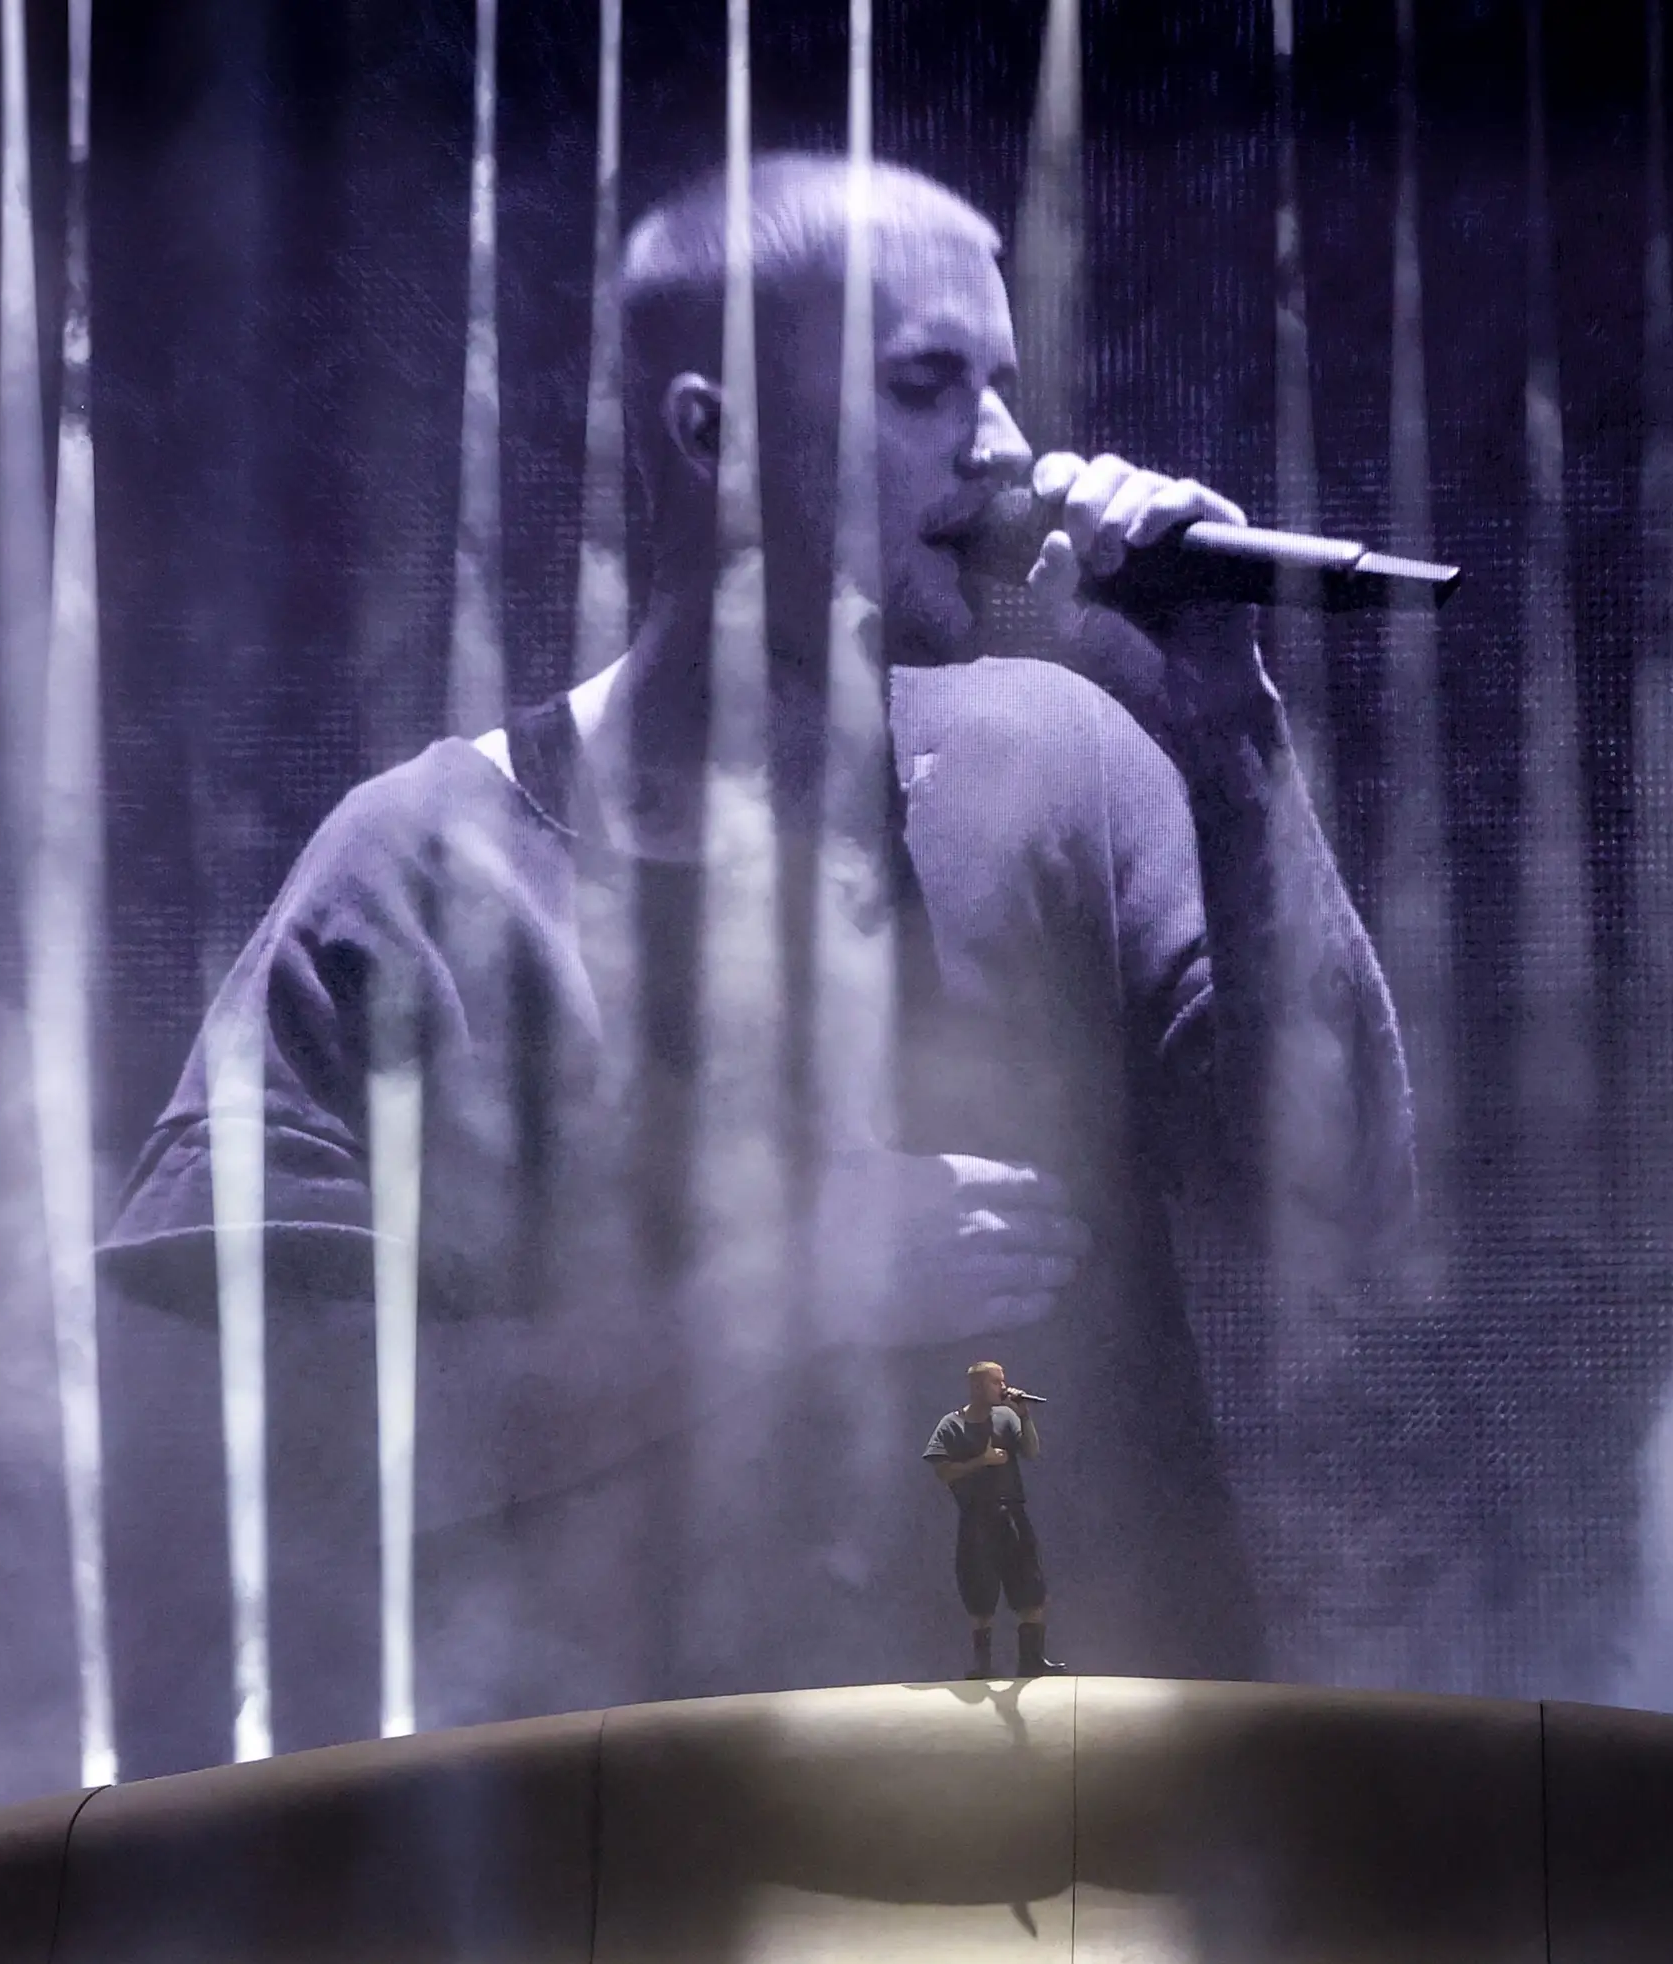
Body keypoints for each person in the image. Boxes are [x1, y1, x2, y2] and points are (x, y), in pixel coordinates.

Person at [103, 151, 1411, 1737]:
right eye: (927, 385)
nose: (1007, 448)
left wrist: (1233, 725)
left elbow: (1343, 1198)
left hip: (1096, 1808)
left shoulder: (1067, 765)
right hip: (640, 1838)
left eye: (1003, 384)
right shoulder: (420, 871)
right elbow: (283, 1448)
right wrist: (782, 1296)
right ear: (709, 431)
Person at [925, 1363, 1063, 1680]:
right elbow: (943, 1472)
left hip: (1011, 1512)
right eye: (995, 1382)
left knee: (1030, 1586)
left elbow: (1031, 1452)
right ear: (976, 1387)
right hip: (976, 1517)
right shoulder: (951, 1425)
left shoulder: (1007, 1417)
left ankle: (1032, 1659)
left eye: (1003, 1381)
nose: (1003, 1387)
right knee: (979, 1590)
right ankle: (983, 1666)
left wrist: (1024, 1416)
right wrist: (981, 1461)